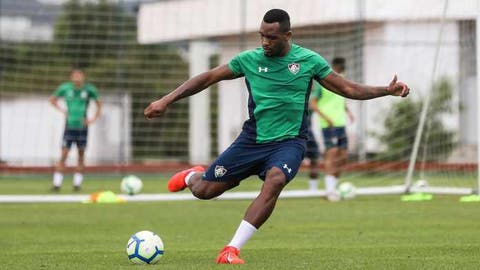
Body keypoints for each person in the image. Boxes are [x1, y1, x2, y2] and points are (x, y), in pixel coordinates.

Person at [144, 9, 409, 264]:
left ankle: (230, 249)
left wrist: (386, 90)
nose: (265, 42)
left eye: (271, 37)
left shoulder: (309, 61)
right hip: (252, 139)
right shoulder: (249, 60)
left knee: (276, 179)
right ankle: (192, 176)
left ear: (288, 36)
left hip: (289, 142)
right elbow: (208, 77)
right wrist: (166, 100)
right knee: (204, 191)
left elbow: (348, 88)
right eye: (262, 35)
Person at [309, 57, 354, 200]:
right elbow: (313, 104)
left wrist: (348, 112)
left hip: (340, 124)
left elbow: (340, 100)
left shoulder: (342, 81)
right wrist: (326, 117)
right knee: (332, 153)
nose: (341, 69)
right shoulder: (323, 83)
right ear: (334, 66)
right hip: (328, 125)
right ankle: (329, 191)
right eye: (340, 67)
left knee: (343, 157)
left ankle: (333, 188)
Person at [49, 68, 102, 192]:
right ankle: (57, 184)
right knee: (64, 154)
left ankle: (77, 184)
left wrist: (93, 118)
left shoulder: (89, 89)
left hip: (82, 127)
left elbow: (99, 103)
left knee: (81, 155)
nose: (77, 78)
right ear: (71, 77)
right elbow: (52, 100)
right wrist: (63, 111)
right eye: (75, 75)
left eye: (79, 75)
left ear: (83, 77)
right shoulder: (65, 88)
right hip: (69, 126)